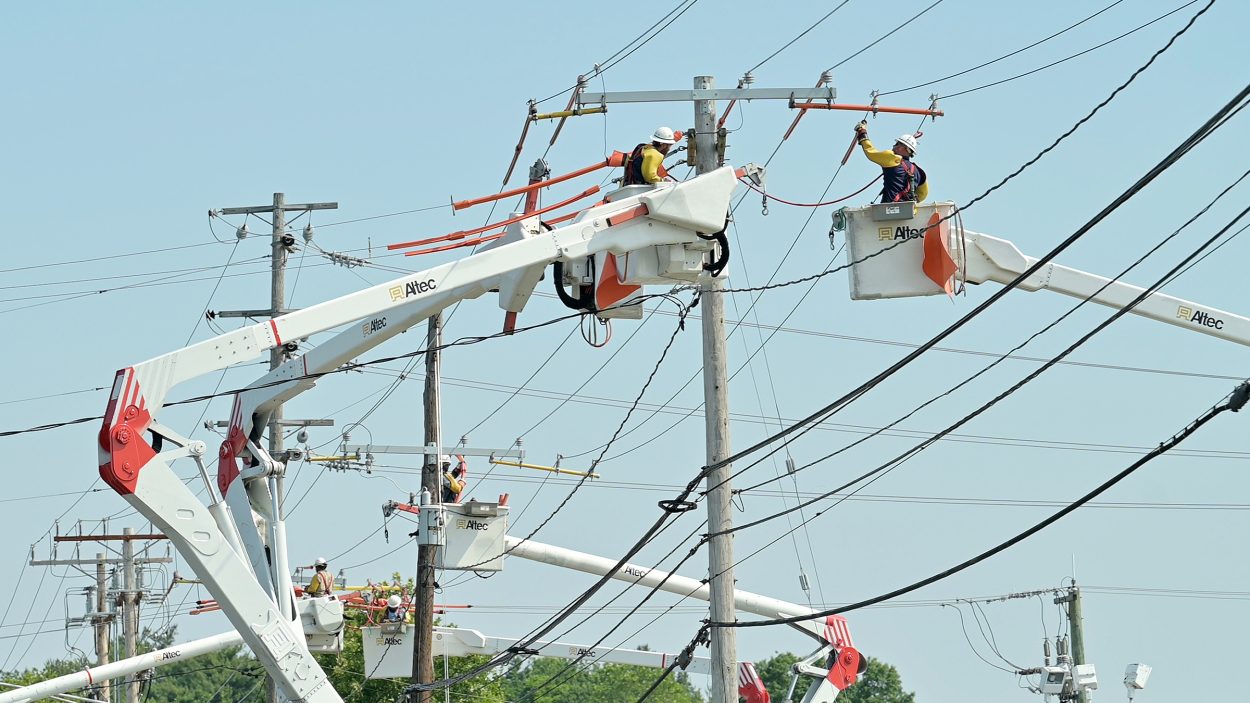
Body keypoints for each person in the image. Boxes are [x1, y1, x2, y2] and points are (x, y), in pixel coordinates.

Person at [854, 122, 928, 203]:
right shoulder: (918, 171)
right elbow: (923, 194)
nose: (893, 146)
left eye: (896, 144)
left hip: (889, 207)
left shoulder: (892, 158)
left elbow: (871, 152)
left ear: (902, 148)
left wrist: (862, 131)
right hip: (908, 209)